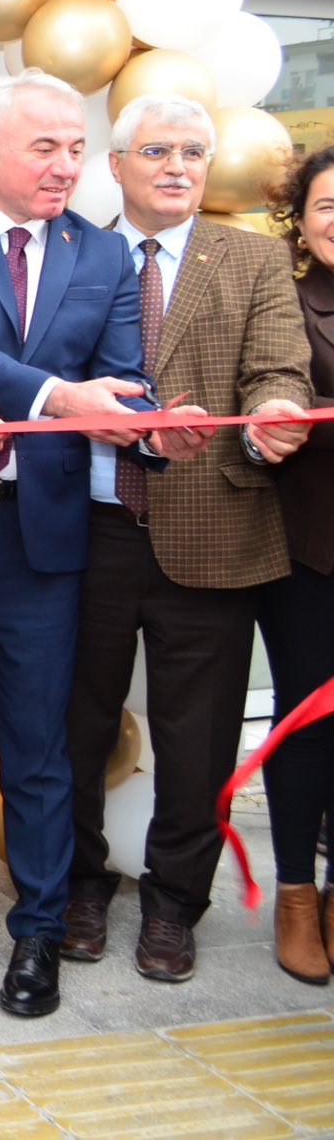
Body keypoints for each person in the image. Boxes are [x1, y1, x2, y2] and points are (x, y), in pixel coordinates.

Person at [0, 68, 168, 1018]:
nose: (65, 165)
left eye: (76, 148)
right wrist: (60, 397)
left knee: (39, 747)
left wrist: (131, 409)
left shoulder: (103, 256)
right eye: (45, 147)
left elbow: (124, 376)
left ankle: (40, 931)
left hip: (43, 537)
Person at [65, 94, 312, 982]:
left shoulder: (249, 257)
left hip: (216, 530)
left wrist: (270, 419)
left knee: (198, 737)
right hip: (86, 534)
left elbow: (278, 366)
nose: (178, 166)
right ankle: (81, 889)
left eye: (194, 153)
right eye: (158, 150)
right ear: (119, 162)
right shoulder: (75, 252)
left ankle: (175, 905)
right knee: (76, 726)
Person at [257, 145, 334, 983]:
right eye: (327, 205)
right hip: (312, 550)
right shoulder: (288, 298)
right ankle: (294, 894)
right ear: (301, 223)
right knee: (306, 722)